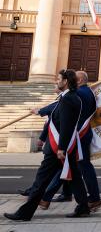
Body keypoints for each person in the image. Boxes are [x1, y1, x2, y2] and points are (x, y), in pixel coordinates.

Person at [4, 69, 90, 221]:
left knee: (41, 180)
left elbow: (66, 126)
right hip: (63, 147)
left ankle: (25, 213)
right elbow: (54, 111)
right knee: (75, 177)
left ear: (65, 82)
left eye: (59, 79)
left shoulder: (68, 99)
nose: (56, 81)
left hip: (58, 148)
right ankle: (83, 206)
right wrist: (40, 111)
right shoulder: (67, 98)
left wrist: (61, 148)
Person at [36, 71, 100, 211]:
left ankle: (46, 197)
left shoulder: (78, 93)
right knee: (73, 166)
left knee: (75, 166)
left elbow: (58, 107)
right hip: (81, 134)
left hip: (77, 135)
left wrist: (40, 110)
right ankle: (62, 196)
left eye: (73, 78)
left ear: (79, 80)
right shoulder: (87, 92)